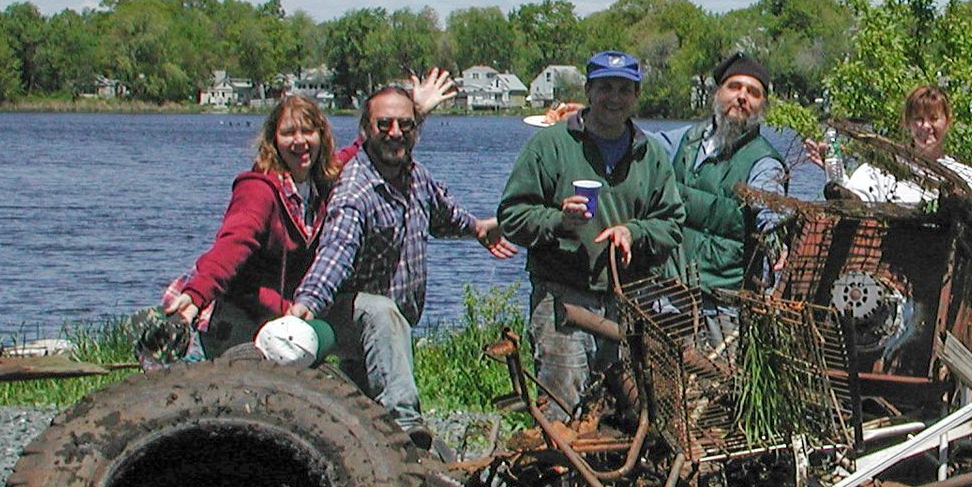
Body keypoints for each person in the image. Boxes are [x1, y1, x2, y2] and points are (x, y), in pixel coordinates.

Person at [291, 85, 514, 445]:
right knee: (381, 312)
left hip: (387, 338)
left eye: (405, 125)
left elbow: (444, 215)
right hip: (347, 318)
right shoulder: (355, 192)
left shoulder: (416, 177)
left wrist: (477, 229)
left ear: (416, 129)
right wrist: (308, 303)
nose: (395, 133)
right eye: (384, 124)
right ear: (366, 130)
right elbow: (336, 252)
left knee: (361, 427)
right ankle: (406, 427)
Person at [497, 51, 685, 420]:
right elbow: (512, 217)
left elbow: (672, 223)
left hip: (628, 303)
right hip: (564, 300)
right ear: (588, 90)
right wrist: (558, 221)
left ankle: (613, 478)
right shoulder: (550, 146)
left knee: (628, 413)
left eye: (623, 90)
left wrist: (634, 232)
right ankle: (557, 478)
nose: (613, 98)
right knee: (562, 411)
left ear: (636, 95)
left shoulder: (651, 156)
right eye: (604, 88)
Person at [162, 93, 340, 357]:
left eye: (308, 131)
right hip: (235, 317)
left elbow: (360, 148)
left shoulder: (319, 186)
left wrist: (414, 110)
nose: (300, 141)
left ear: (321, 137)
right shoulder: (258, 189)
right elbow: (232, 245)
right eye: (288, 132)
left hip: (279, 319)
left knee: (323, 334)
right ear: (273, 141)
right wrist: (197, 294)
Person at [666, 52, 790, 305]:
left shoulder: (765, 161)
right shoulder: (686, 139)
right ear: (717, 94)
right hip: (665, 289)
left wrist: (778, 240)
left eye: (753, 93)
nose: (742, 97)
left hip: (720, 303)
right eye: (734, 87)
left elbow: (770, 204)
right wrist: (591, 117)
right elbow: (632, 141)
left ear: (762, 106)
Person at [841, 83, 972, 205]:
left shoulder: (967, 177)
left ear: (948, 122)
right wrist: (835, 171)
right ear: (907, 123)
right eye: (918, 119)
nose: (926, 126)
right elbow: (852, 201)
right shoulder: (880, 169)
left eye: (933, 118)